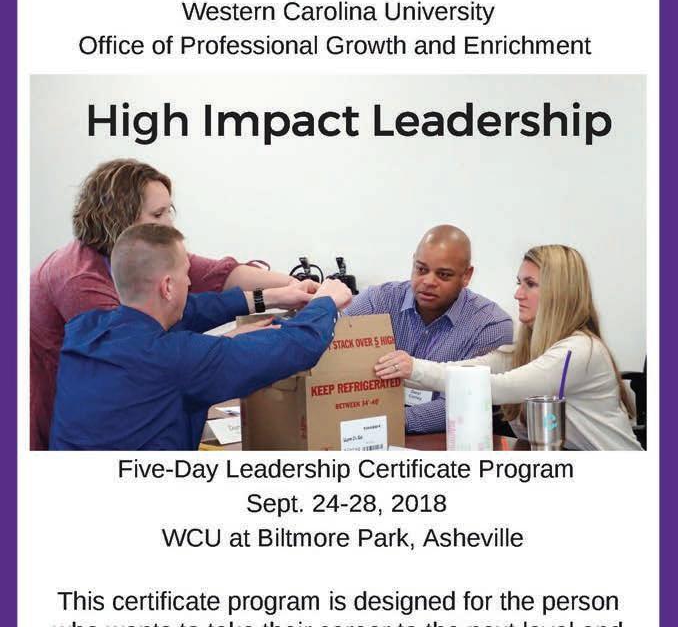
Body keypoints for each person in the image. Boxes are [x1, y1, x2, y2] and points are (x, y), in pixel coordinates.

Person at [31, 159, 317, 448]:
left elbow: (218, 275)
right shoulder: (79, 281)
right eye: (158, 214)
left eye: (169, 211)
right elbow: (145, 362)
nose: (168, 223)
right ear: (118, 218)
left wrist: (291, 287)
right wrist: (227, 346)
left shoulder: (145, 257)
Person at [49, 224, 351, 451]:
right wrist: (326, 301)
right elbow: (298, 345)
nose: (190, 283)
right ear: (168, 286)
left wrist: (273, 296)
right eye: (186, 274)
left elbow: (191, 310)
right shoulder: (177, 360)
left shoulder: (82, 330)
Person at [374, 245, 641, 451]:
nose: (518, 294)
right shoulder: (529, 350)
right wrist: (403, 368)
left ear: (559, 293)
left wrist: (413, 368)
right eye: (519, 283)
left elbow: (499, 387)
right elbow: (469, 369)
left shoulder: (580, 351)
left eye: (530, 284)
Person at [343, 225, 513, 434]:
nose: (428, 282)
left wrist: (381, 422)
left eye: (443, 275)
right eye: (421, 270)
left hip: (446, 442)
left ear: (466, 275)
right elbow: (329, 347)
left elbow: (464, 403)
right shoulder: (378, 301)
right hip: (368, 430)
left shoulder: (490, 325)